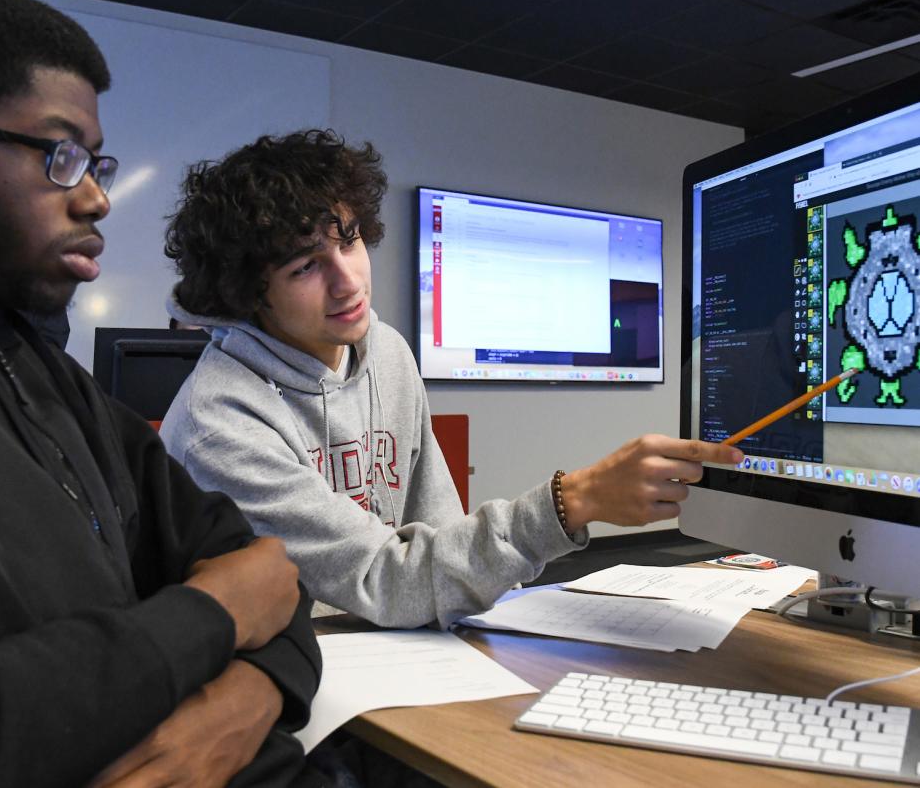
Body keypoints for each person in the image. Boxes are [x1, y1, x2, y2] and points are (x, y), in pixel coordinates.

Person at [159, 128, 743, 629]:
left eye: (350, 240)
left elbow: (439, 540)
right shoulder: (220, 424)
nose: (349, 281)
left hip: (401, 649)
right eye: (306, 266)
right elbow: (382, 580)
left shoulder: (385, 350)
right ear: (245, 291)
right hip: (294, 680)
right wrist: (575, 501)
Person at [0, 0, 324, 787]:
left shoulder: (50, 382)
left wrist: (249, 697)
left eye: (95, 162)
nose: (96, 197)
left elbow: (270, 574)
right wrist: (211, 617)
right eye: (59, 153)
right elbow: (238, 595)